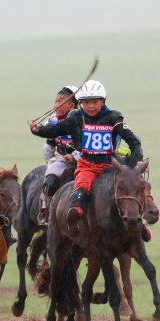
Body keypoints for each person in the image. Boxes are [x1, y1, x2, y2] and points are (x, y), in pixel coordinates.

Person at [29, 80, 143, 227]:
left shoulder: (114, 118)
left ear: (103, 101)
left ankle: (142, 221)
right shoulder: (76, 117)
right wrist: (38, 130)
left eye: (95, 102)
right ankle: (74, 214)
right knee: (81, 187)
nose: (90, 106)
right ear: (81, 103)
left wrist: (138, 161)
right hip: (87, 164)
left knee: (131, 186)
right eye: (86, 102)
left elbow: (134, 141)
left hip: (111, 164)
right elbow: (56, 129)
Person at [37, 85, 79, 225]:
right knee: (49, 182)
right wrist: (52, 164)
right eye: (56, 101)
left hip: (84, 160)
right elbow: (49, 147)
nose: (56, 105)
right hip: (60, 159)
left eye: (61, 102)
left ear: (72, 106)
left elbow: (87, 145)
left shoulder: (81, 122)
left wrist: (75, 156)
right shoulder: (52, 121)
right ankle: (45, 212)